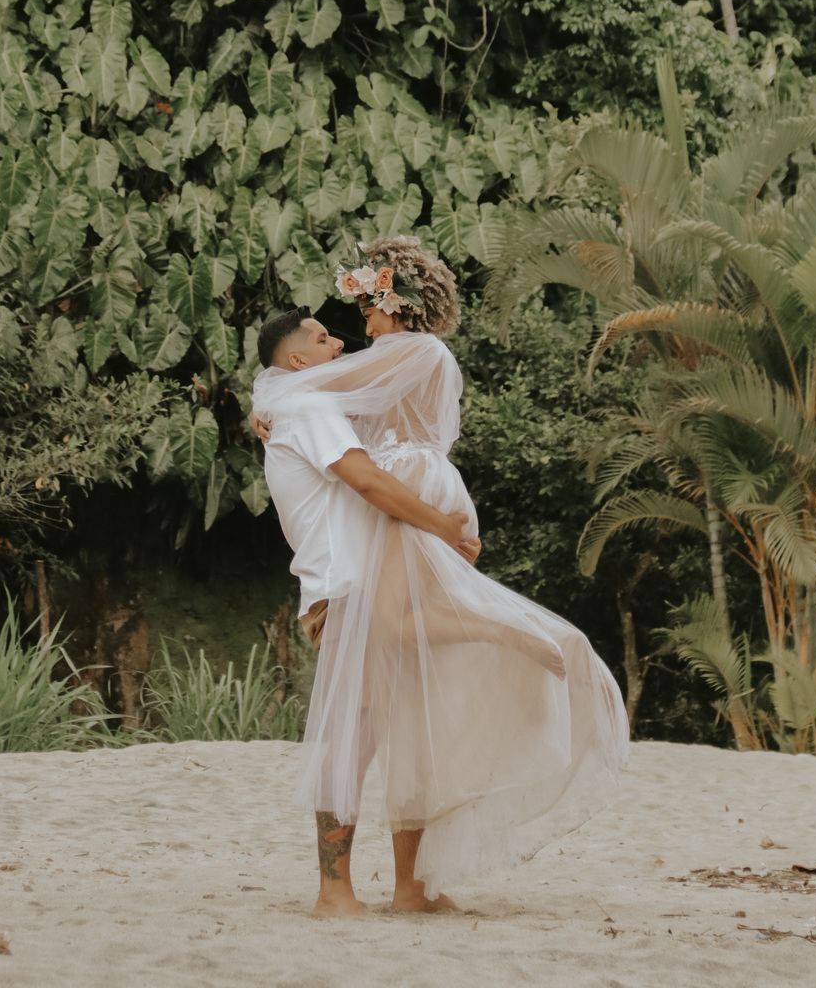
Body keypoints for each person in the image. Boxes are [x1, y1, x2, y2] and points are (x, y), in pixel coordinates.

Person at [252, 236, 629, 914]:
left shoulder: (412, 353)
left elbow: (321, 395)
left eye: (368, 306)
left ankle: (400, 887)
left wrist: (272, 396)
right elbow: (330, 405)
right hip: (401, 508)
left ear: (396, 302)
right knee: (402, 711)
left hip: (411, 494)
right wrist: (276, 402)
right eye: (335, 327)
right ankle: (401, 889)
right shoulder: (372, 374)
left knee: (393, 684)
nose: (357, 326)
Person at [255, 303, 481, 914]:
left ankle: (413, 888)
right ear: (297, 360)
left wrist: (262, 400)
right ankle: (335, 892)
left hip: (375, 583)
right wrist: (443, 527)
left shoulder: (309, 403)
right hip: (349, 590)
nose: (342, 344)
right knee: (352, 739)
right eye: (324, 339)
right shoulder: (308, 408)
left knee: (408, 729)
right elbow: (368, 481)